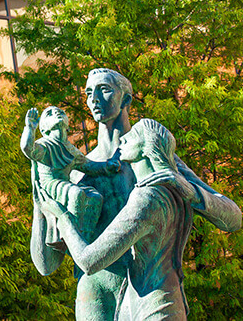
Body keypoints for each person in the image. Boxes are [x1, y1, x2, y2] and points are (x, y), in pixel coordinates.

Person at [28, 68, 242, 320]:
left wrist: (190, 190)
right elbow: (45, 265)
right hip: (95, 292)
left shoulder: (150, 156)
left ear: (126, 99)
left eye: (104, 90)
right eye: (88, 93)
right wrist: (39, 192)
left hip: (149, 290)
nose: (94, 99)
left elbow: (233, 218)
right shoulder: (75, 170)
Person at [37, 119, 196, 320]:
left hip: (150, 306)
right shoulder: (173, 192)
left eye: (133, 135)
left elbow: (88, 261)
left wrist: (62, 217)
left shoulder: (145, 198)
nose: (125, 137)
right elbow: (46, 265)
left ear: (146, 148)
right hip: (166, 301)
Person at [21, 106, 118, 255]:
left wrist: (107, 166)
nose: (56, 113)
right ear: (44, 128)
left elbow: (88, 166)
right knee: (76, 194)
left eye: (60, 111)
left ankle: (86, 235)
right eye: (50, 113)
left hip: (65, 184)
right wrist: (30, 128)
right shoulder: (45, 145)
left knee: (96, 197)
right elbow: (28, 149)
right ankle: (67, 236)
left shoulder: (69, 148)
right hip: (51, 186)